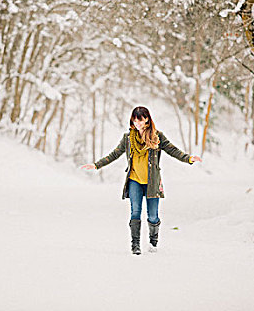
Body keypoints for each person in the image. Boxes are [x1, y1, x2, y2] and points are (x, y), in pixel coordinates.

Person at [81, 106, 202, 255]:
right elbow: (114, 154)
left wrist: (188, 158)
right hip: (134, 181)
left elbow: (173, 150)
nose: (137, 122)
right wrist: (96, 165)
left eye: (141, 119)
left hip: (152, 182)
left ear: (147, 120)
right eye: (135, 119)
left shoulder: (157, 137)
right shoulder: (128, 139)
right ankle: (135, 245)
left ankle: (153, 241)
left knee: (153, 216)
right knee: (135, 212)